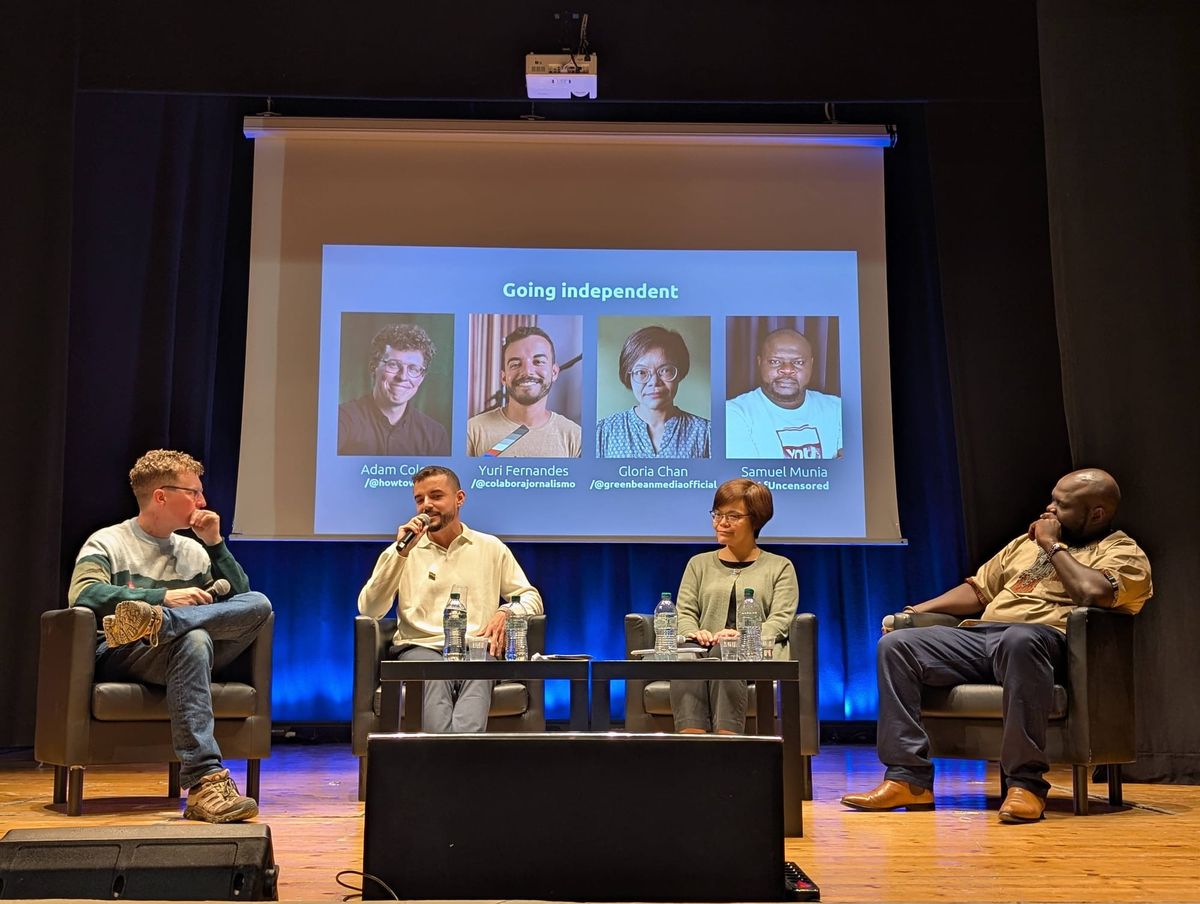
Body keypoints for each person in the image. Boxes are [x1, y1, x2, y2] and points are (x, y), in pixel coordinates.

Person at [841, 468, 1152, 823]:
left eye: (1061, 505)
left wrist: (1052, 546)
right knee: (898, 645)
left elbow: (1092, 592)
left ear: (1096, 513)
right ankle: (908, 779)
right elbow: (978, 590)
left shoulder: (1124, 553)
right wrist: (915, 611)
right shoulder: (1024, 544)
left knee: (1021, 638)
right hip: (984, 637)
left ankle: (1026, 784)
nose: (1049, 509)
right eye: (1051, 499)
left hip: (1048, 645)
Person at [68, 450, 273, 823]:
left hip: (183, 646)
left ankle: (165, 624)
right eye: (193, 493)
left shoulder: (194, 550)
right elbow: (84, 595)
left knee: (257, 603)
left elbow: (242, 603)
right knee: (195, 639)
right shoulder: (109, 541)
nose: (203, 502)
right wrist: (161, 597)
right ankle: (206, 783)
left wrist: (215, 544)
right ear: (161, 496)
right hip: (126, 652)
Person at [357, 465, 543, 731]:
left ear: (459, 499)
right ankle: (456, 762)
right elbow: (369, 609)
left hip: (476, 649)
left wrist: (507, 612)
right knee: (432, 671)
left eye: (435, 496)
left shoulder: (489, 547)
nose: (426, 505)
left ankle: (445, 762)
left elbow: (530, 597)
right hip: (421, 648)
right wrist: (400, 555)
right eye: (419, 499)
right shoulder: (402, 551)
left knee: (481, 671)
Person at [671, 479, 799, 733]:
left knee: (725, 653)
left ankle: (727, 743)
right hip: (704, 649)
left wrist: (743, 636)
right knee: (687, 653)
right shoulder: (698, 564)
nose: (721, 523)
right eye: (717, 514)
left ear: (756, 520)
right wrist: (695, 633)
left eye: (733, 516)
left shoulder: (780, 566)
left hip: (755, 652)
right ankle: (690, 744)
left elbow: (780, 620)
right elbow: (684, 612)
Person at [595, 325, 711, 458]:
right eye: (641, 372)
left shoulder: (705, 433)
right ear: (629, 376)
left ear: (679, 373)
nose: (654, 382)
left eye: (665, 370)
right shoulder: (603, 433)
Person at [725, 327, 842, 459]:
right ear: (759, 363)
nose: (787, 370)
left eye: (798, 362)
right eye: (775, 362)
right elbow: (746, 477)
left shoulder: (838, 409)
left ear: (811, 364)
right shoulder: (734, 413)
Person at [466, 326, 581, 457]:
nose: (527, 372)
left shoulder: (575, 437)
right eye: (515, 364)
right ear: (504, 377)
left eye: (538, 362)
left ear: (554, 372)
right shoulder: (472, 431)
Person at [338, 322, 450, 456]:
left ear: (421, 377)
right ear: (374, 366)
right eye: (393, 365)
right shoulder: (342, 419)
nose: (402, 376)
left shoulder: (435, 435)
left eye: (413, 369)